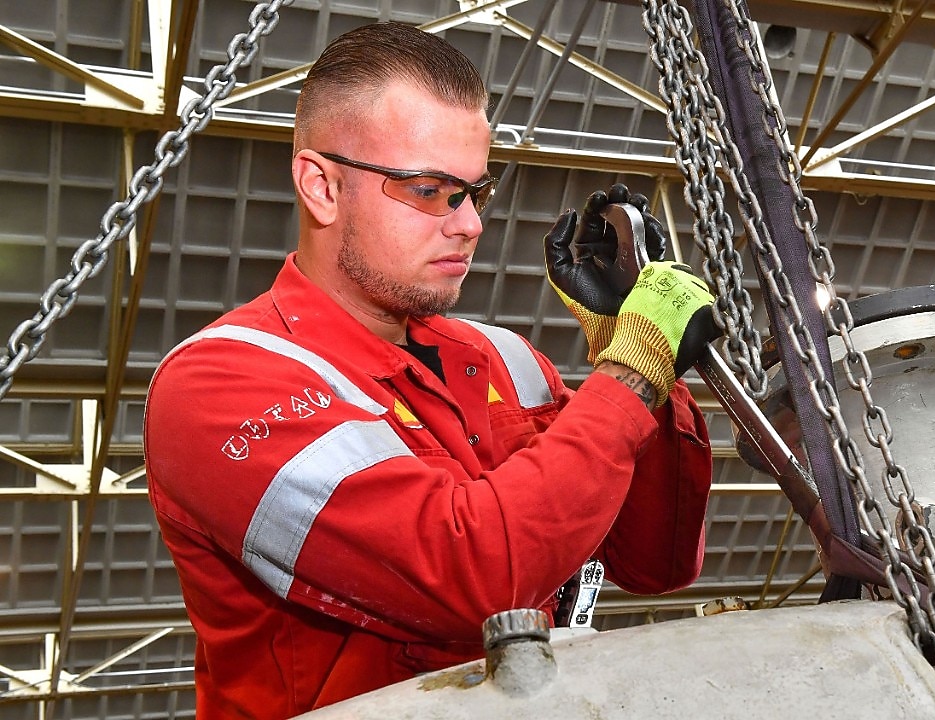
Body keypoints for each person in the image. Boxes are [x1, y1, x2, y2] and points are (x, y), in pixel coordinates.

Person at [143, 21, 719, 719]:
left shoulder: (503, 358)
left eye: (476, 190)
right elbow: (474, 579)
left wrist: (627, 359)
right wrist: (631, 372)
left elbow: (654, 561)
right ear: (321, 187)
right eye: (428, 191)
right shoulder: (218, 384)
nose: (470, 223)